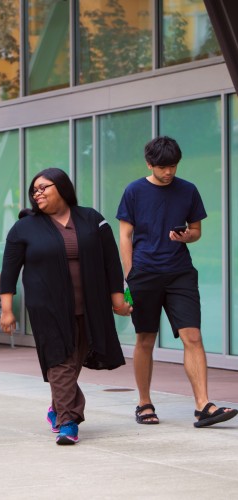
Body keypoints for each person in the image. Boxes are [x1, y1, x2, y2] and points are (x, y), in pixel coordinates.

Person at [0, 168, 128, 445]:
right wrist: (7, 309)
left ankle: (57, 408)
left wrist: (119, 298)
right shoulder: (25, 227)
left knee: (73, 361)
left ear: (62, 188)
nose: (38, 193)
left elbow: (111, 261)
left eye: (44, 187)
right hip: (47, 306)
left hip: (89, 305)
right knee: (59, 361)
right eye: (35, 190)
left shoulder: (92, 219)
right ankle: (68, 421)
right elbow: (9, 271)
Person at [116, 136, 237, 428]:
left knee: (192, 337)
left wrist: (187, 236)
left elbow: (196, 231)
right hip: (144, 273)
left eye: (172, 166)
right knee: (146, 338)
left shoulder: (188, 191)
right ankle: (144, 402)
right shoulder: (134, 191)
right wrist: (130, 276)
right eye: (162, 167)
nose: (168, 172)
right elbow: (125, 236)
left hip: (180, 271)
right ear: (150, 164)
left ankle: (203, 405)